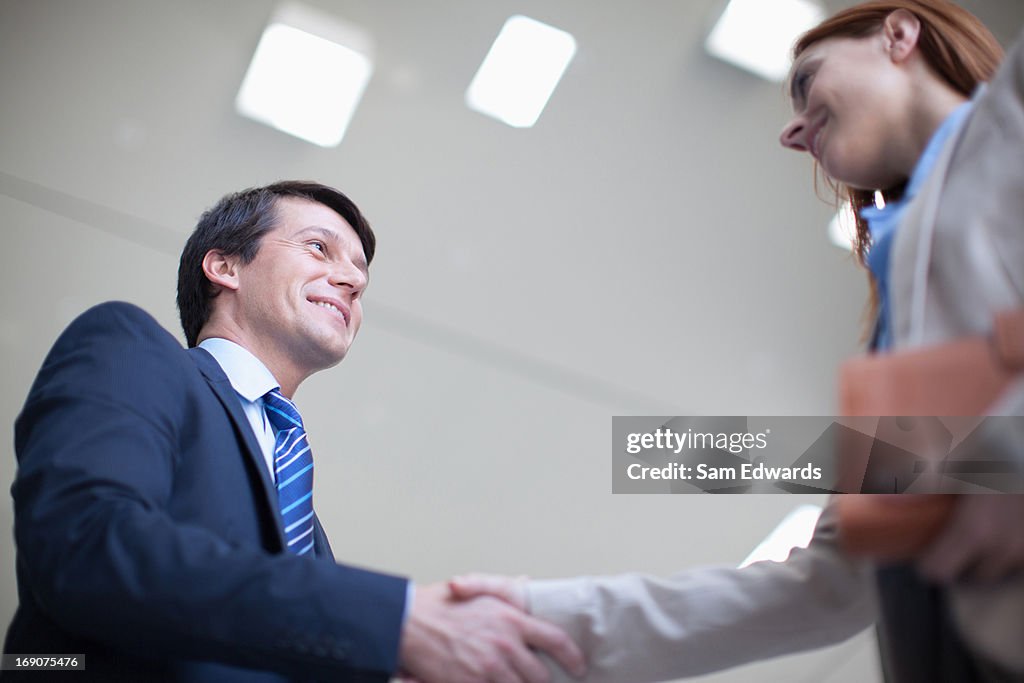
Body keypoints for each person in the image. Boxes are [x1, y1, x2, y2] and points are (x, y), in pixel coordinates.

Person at [451, 2, 1024, 681]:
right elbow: (833, 582)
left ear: (899, 35)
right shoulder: (901, 320)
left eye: (807, 81)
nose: (788, 131)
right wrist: (531, 611)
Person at [3, 180, 585, 683]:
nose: (352, 284)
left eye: (360, 276)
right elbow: (85, 544)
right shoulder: (130, 348)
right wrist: (396, 619)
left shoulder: (306, 525)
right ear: (225, 265)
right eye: (318, 248)